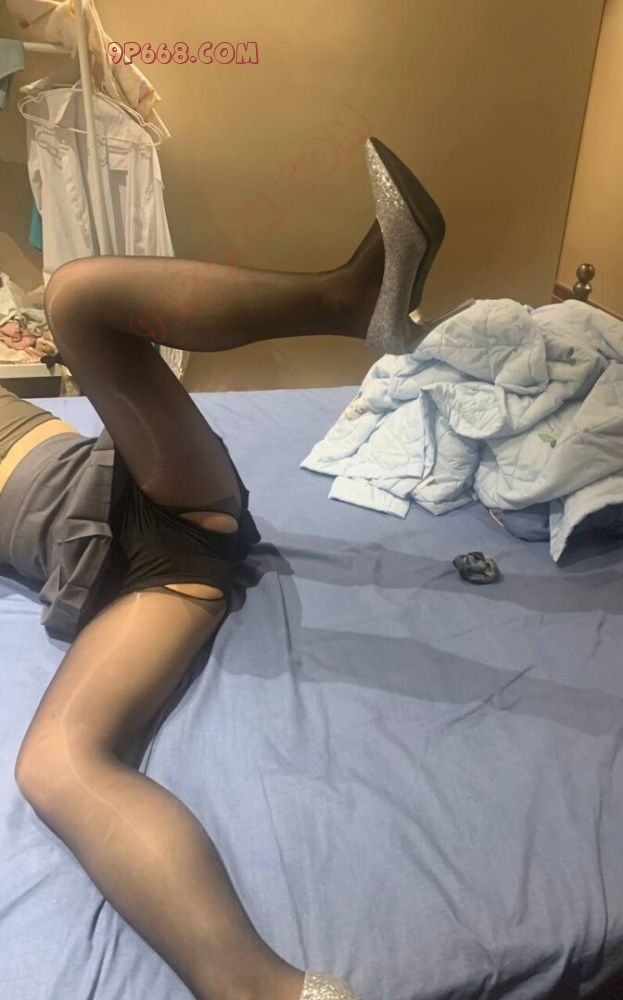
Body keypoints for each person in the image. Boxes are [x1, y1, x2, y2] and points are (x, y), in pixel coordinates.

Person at [3, 137, 469, 1000]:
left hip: (146, 483)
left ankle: (351, 297)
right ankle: (265, 990)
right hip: (148, 563)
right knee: (55, 765)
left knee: (80, 296)